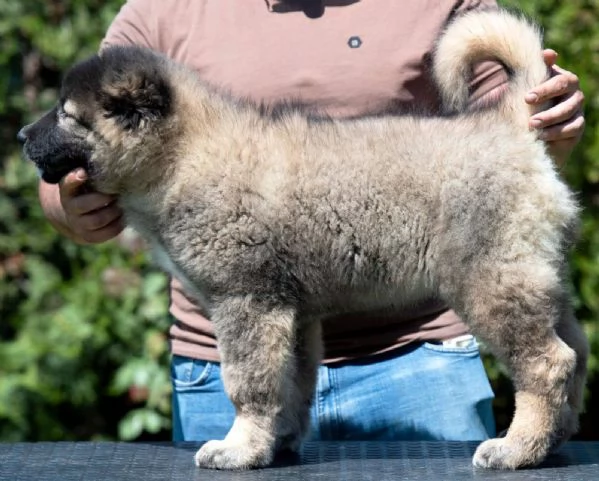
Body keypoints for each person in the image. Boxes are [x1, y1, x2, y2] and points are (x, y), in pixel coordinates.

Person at [38, 0, 585, 443]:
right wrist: (69, 203)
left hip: (419, 365)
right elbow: (84, 126)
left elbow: (517, 139)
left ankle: (544, 412)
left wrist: (551, 117)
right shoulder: (162, 11)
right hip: (213, 369)